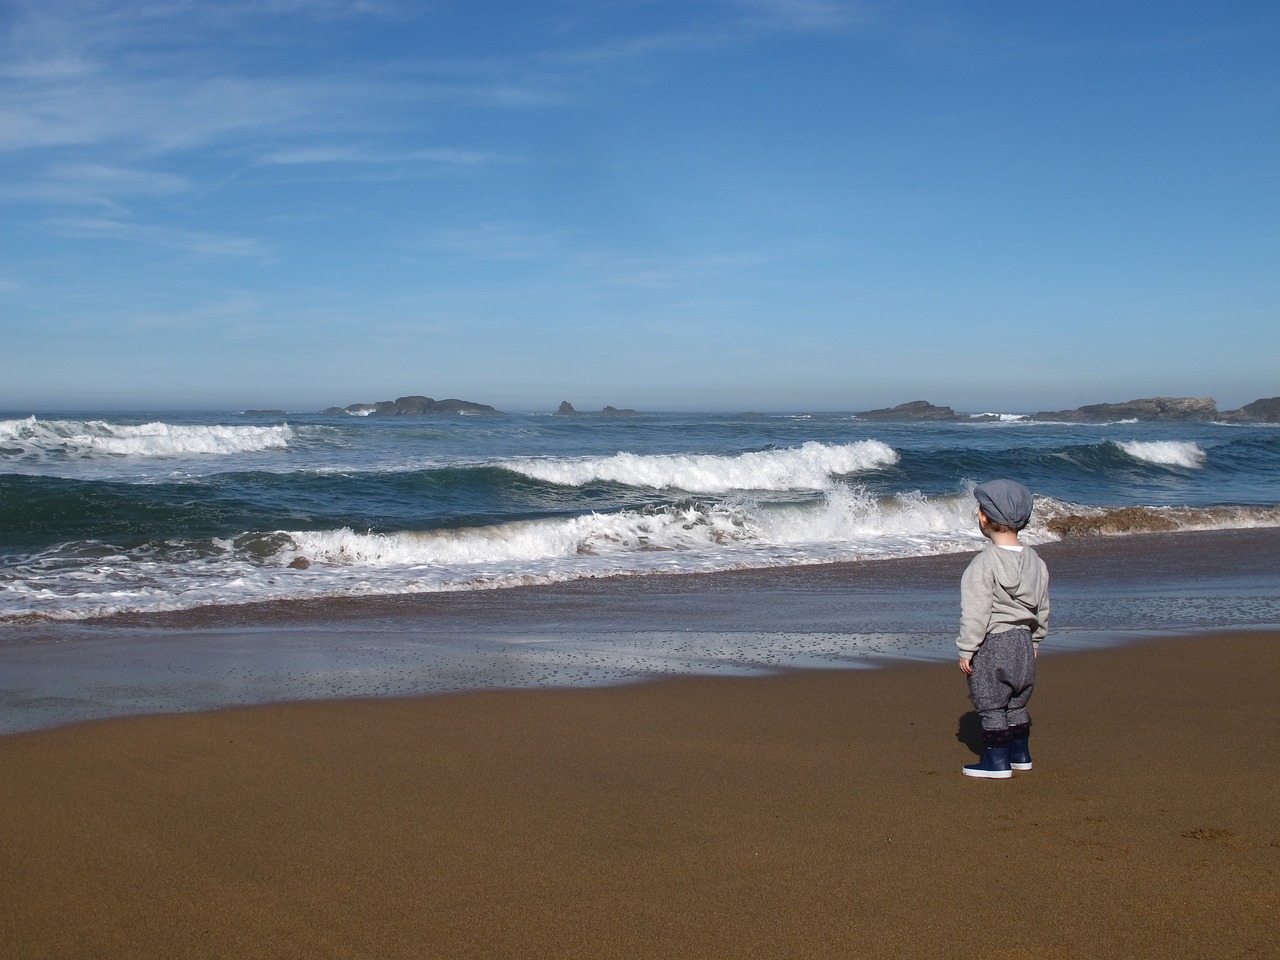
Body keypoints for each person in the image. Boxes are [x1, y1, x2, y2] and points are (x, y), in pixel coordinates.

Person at [957, 479, 1050, 779]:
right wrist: (1036, 640)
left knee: (991, 703)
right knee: (1016, 701)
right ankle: (1020, 754)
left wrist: (967, 648)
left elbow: (976, 611)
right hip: (1024, 642)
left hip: (994, 644)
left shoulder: (983, 564)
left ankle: (996, 761)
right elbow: (1042, 607)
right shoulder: (1036, 562)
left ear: (983, 517)